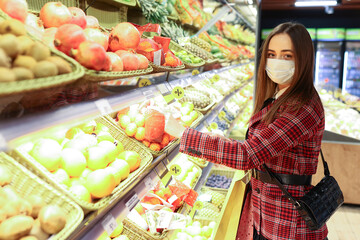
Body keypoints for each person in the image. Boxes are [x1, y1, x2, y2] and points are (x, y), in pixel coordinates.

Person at [168, 22, 328, 240]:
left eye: (287, 56)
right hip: (268, 214)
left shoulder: (302, 107)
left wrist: (184, 134)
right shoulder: (281, 96)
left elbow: (247, 155)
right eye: (271, 54)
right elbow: (262, 146)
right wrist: (221, 142)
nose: (276, 62)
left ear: (304, 58)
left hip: (288, 225)